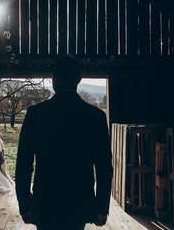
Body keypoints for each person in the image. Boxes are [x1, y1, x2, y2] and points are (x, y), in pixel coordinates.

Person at [15, 55, 113, 230]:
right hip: (79, 205)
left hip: (45, 205)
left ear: (53, 79)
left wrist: (25, 205)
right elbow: (104, 167)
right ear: (79, 79)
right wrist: (101, 207)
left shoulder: (35, 115)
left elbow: (23, 165)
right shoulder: (96, 117)